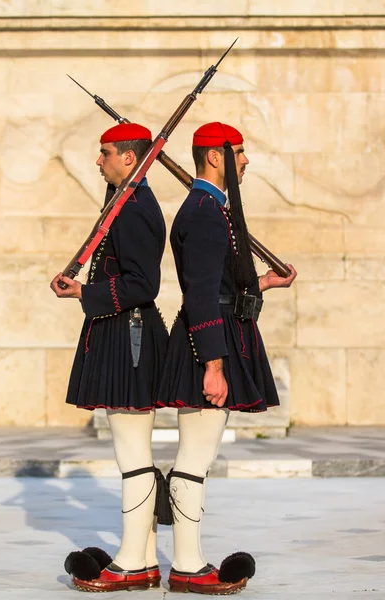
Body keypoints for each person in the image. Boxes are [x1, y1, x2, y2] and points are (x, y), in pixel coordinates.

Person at [157, 122, 298, 595]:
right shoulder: (203, 213)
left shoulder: (210, 209)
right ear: (215, 157)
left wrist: (265, 283)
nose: (245, 161)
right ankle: (187, 566)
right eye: (238, 153)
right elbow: (199, 294)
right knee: (194, 457)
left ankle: (187, 560)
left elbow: (220, 285)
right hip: (207, 344)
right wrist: (214, 365)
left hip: (215, 335)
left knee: (200, 455)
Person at [50, 122, 169, 593]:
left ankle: (130, 563)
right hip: (122, 331)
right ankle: (140, 558)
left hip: (130, 335)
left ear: (128, 157)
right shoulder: (126, 201)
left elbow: (144, 284)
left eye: (105, 154)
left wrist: (86, 291)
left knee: (133, 455)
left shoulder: (137, 207)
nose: (98, 161)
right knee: (131, 453)